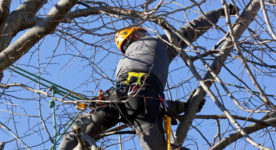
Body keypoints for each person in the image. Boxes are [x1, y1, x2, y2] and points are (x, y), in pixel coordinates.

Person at [59, 5, 239, 150]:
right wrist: (219, 12)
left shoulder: (123, 63)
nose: (146, 36)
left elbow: (139, 97)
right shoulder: (157, 43)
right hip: (146, 104)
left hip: (116, 99)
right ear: (135, 36)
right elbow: (193, 28)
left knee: (77, 134)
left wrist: (183, 106)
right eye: (142, 33)